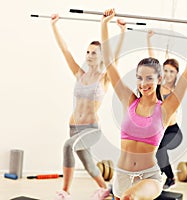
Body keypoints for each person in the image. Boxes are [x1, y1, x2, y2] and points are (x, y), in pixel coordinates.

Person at [101, 8, 187, 200]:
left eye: (149, 78)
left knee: (129, 198)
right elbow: (108, 63)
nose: (143, 83)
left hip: (149, 177)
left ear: (159, 79)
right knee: (125, 196)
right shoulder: (129, 100)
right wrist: (104, 25)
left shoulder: (166, 108)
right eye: (139, 78)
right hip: (121, 176)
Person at [50, 14, 126, 200]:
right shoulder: (80, 74)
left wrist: (122, 32)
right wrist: (54, 25)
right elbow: (65, 50)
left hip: (91, 129)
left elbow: (114, 57)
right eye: (88, 52)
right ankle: (106, 189)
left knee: (68, 147)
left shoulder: (105, 78)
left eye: (94, 52)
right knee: (88, 163)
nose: (90, 55)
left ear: (101, 56)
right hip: (73, 126)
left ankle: (65, 192)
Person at [147, 31, 183, 189]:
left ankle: (171, 178)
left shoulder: (177, 90)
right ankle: (157, 176)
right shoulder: (158, 86)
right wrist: (149, 40)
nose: (168, 74)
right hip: (158, 130)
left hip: (173, 132)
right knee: (151, 151)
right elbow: (153, 62)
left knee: (160, 150)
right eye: (166, 71)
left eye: (172, 72)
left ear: (176, 74)